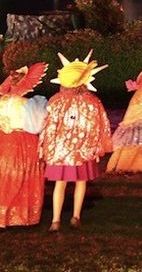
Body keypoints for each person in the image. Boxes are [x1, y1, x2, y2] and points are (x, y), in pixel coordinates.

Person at [39, 51, 113, 231]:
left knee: (60, 184)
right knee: (81, 182)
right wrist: (97, 148)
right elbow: (100, 126)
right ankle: (75, 216)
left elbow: (48, 127)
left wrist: (46, 148)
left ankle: (55, 221)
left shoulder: (56, 101)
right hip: (83, 151)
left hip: (60, 151)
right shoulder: (93, 101)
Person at [0, 63, 48, 227]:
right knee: (23, 175)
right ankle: (21, 215)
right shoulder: (28, 103)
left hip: (4, 141)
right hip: (24, 141)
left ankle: (3, 215)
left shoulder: (2, 101)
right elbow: (38, 125)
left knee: (4, 176)